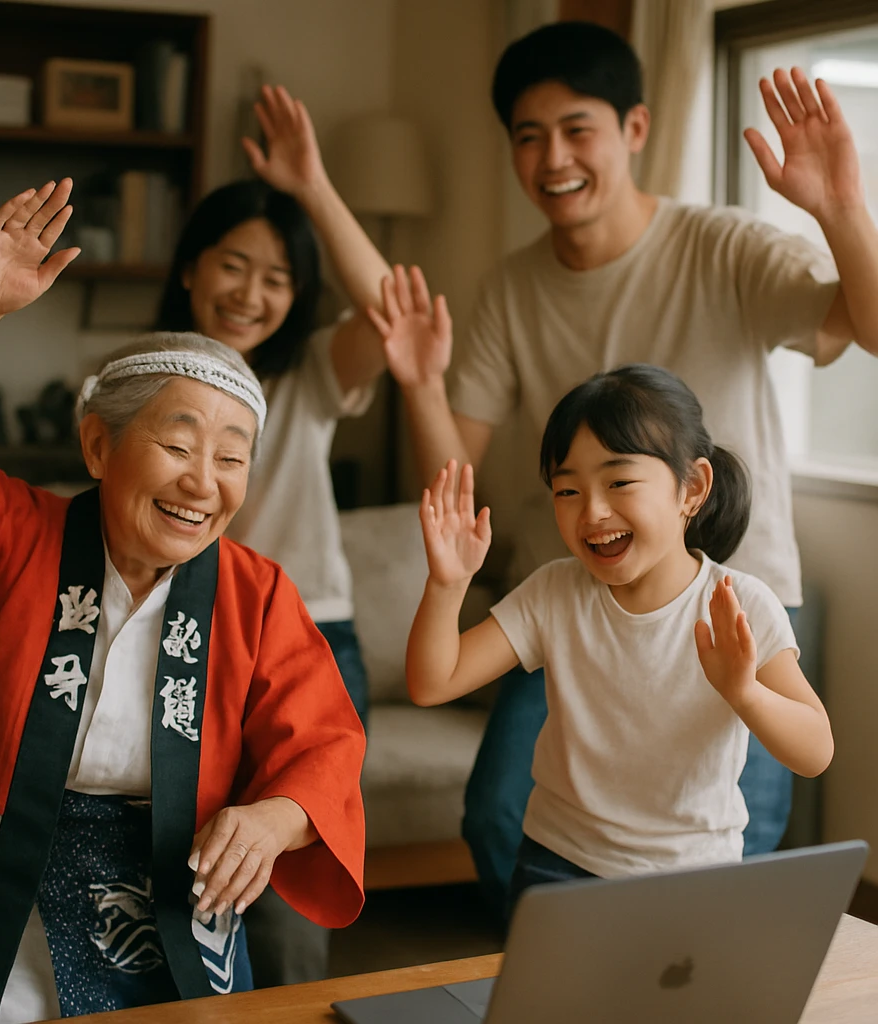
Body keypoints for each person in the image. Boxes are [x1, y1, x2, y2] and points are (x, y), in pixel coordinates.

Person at [375, 20, 878, 914]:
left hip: (725, 602)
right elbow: (460, 480)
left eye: (577, 129)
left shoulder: (721, 246)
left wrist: (840, 205)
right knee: (499, 813)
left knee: (720, 868)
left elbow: (863, 328)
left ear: (635, 128)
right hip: (582, 602)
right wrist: (418, 384)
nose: (552, 157)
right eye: (528, 137)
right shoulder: (511, 287)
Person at [0, 179, 366, 1024]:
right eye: (176, 444)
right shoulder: (17, 534)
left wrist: (275, 819)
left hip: (165, 881)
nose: (204, 482)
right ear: (99, 444)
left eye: (232, 459)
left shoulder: (258, 592)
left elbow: (325, 745)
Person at [405, 365, 833, 910]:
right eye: (567, 489)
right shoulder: (554, 592)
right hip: (557, 865)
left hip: (694, 876)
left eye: (619, 481)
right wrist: (447, 584)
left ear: (692, 488)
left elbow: (816, 750)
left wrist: (745, 692)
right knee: (560, 1000)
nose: (593, 511)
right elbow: (432, 682)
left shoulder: (740, 604)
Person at [154, 84, 389, 984]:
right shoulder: (141, 379)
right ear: (190, 267)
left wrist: (314, 186)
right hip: (183, 635)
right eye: (232, 265)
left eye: (277, 277)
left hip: (311, 640)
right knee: (186, 865)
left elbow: (390, 316)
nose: (251, 294)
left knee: (290, 871)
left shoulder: (309, 377)